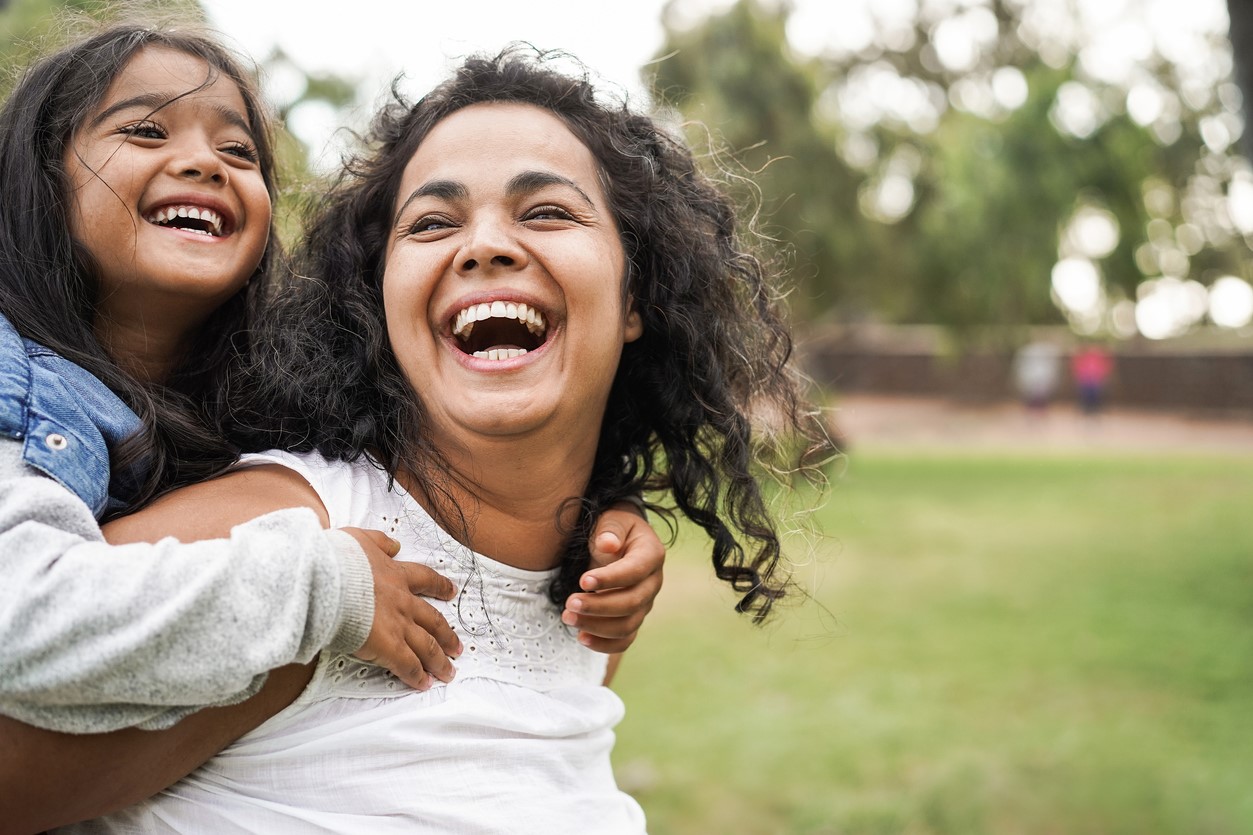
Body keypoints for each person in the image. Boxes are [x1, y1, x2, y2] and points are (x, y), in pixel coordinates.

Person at [57, 45, 825, 832]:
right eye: (432, 222)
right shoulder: (291, 546)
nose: (484, 245)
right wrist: (315, 605)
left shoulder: (592, 589)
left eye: (548, 211)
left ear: (637, 295)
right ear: (379, 304)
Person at [1070, 342, 1113, 416]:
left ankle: (1094, 410)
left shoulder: (1099, 358)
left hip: (1095, 380)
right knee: (1085, 395)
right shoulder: (1083, 357)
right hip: (1085, 380)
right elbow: (1078, 368)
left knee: (1095, 396)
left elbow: (1104, 368)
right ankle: (1086, 410)